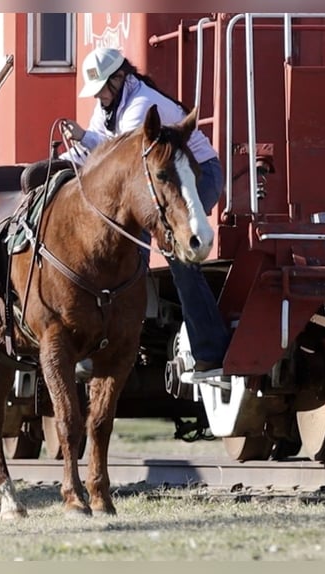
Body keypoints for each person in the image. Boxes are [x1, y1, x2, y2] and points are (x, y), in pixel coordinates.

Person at [60, 47, 230, 377]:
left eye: (102, 91)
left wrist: (84, 139)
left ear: (119, 78)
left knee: (178, 252)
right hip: (168, 177)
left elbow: (117, 157)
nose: (100, 98)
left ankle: (211, 350)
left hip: (197, 174)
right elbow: (94, 153)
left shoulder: (141, 107)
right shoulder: (112, 103)